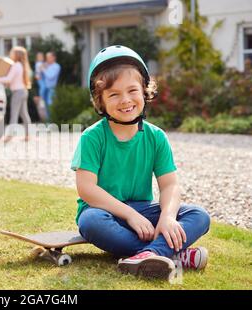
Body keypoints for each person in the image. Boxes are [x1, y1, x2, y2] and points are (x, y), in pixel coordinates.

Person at [71, 45, 211, 280]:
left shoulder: (156, 137)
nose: (125, 100)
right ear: (100, 101)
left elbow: (169, 186)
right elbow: (86, 189)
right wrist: (129, 215)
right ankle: (172, 254)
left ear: (145, 91)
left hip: (144, 212)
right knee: (91, 221)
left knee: (199, 215)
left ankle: (151, 254)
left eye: (132, 90)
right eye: (114, 94)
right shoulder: (92, 137)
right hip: (105, 213)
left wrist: (166, 217)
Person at [0, 46, 32, 142]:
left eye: (12, 52)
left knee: (14, 114)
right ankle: (28, 135)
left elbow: (8, 79)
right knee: (24, 114)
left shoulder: (15, 65)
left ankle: (9, 137)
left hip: (18, 93)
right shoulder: (22, 65)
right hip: (23, 91)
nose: (10, 54)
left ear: (17, 55)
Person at [39, 52, 61, 121]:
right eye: (47, 57)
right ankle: (49, 122)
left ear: (54, 58)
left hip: (52, 89)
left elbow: (50, 76)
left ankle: (52, 121)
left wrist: (43, 69)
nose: (47, 59)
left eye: (49, 57)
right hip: (45, 88)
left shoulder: (56, 66)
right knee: (46, 106)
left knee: (50, 105)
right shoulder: (47, 66)